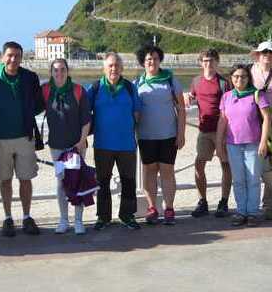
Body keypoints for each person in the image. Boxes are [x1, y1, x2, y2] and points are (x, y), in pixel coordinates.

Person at [0, 41, 43, 237]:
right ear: (3, 57)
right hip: (0, 137)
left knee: (25, 179)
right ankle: (8, 218)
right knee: (5, 179)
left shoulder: (30, 77)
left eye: (17, 56)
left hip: (25, 136)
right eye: (10, 55)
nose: (13, 59)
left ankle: (27, 217)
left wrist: (26, 115)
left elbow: (39, 104)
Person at [87, 52, 142, 231]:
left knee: (129, 181)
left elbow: (137, 113)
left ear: (122, 68)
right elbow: (84, 114)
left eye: (117, 65)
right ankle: (103, 217)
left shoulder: (129, 87)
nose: (114, 69)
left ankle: (127, 215)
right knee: (102, 182)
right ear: (104, 68)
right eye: (110, 65)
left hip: (126, 144)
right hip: (102, 144)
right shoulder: (95, 88)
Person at [135, 45, 186, 225]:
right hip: (145, 136)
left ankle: (169, 208)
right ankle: (152, 208)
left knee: (167, 171)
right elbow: (135, 112)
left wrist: (181, 133)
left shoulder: (170, 80)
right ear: (143, 62)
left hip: (168, 135)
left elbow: (181, 107)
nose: (152, 62)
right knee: (149, 172)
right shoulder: (137, 83)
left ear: (160, 60)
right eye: (148, 59)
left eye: (155, 58)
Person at [216, 64, 270, 227]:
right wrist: (219, 143)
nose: (239, 79)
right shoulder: (226, 97)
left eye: (243, 76)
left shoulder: (257, 94)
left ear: (248, 78)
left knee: (253, 179)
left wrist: (263, 141)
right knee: (238, 180)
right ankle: (241, 212)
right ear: (231, 79)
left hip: (253, 144)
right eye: (236, 77)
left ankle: (252, 213)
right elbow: (223, 120)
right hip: (233, 145)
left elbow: (267, 118)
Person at [42, 59, 91, 235]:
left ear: (67, 71)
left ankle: (78, 221)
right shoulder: (46, 90)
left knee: (77, 182)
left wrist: (81, 141)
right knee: (62, 182)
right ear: (51, 72)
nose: (59, 73)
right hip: (56, 146)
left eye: (62, 70)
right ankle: (63, 220)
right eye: (56, 70)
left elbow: (86, 119)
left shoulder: (78, 90)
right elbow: (30, 108)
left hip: (75, 145)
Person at [184, 49, 232, 218]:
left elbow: (231, 105)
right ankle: (202, 202)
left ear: (217, 62)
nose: (208, 63)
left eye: (211, 60)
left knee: (225, 165)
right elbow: (192, 96)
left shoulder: (224, 83)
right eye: (205, 60)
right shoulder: (196, 81)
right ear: (200, 62)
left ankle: (224, 202)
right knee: (199, 165)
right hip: (203, 131)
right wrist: (188, 98)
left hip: (222, 131)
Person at [250, 40, 272, 219]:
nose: (267, 55)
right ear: (257, 55)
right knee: (258, 166)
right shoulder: (249, 72)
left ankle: (267, 206)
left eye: (270, 53)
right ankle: (252, 207)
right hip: (253, 124)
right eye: (264, 52)